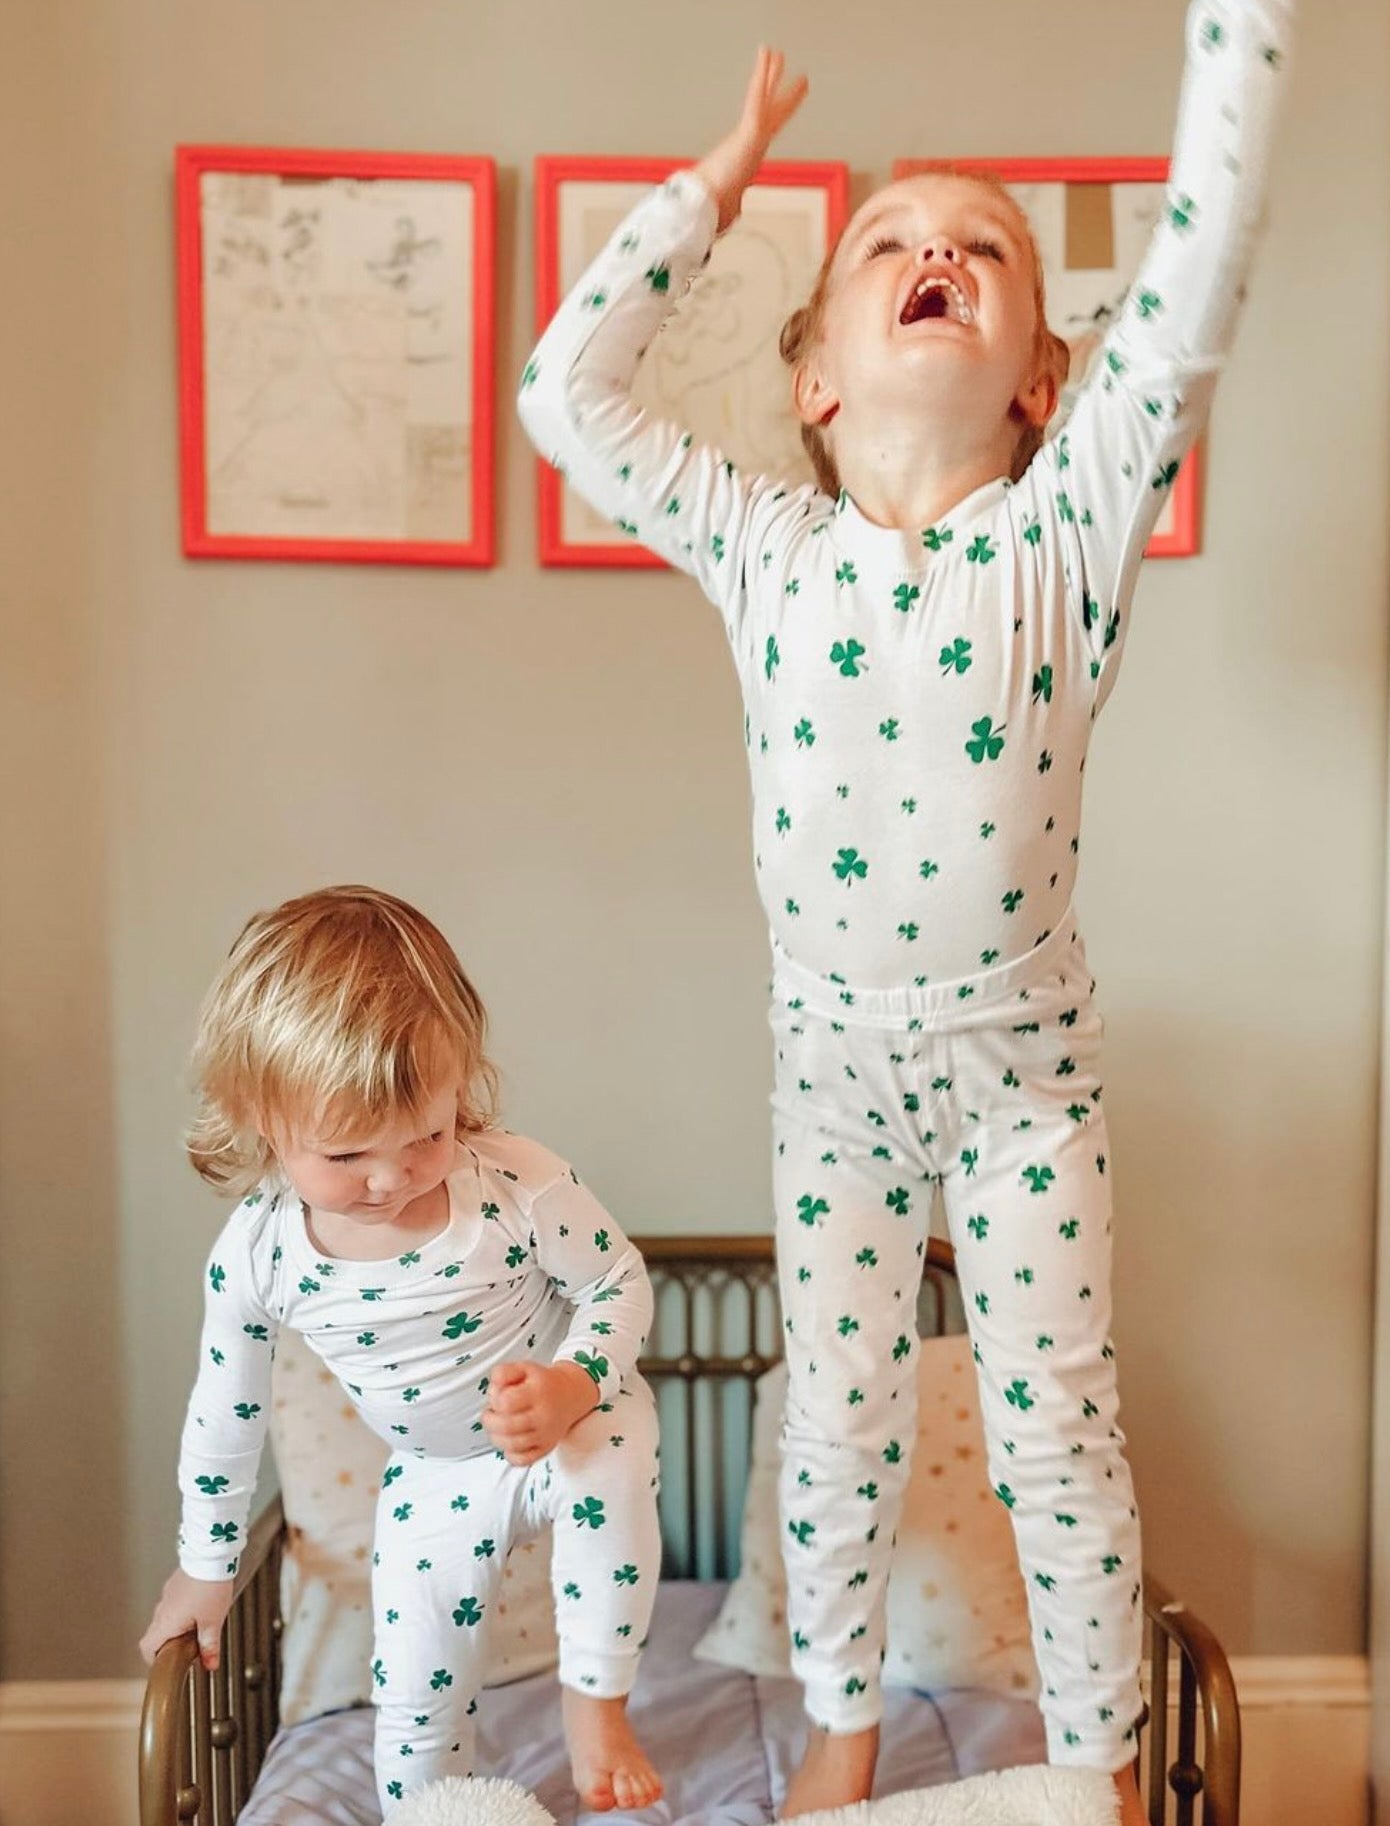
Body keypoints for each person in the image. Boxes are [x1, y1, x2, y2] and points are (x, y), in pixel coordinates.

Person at [517, 9, 1291, 1820]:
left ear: (1040, 379)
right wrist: (716, 185)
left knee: (1058, 1439)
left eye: (984, 247)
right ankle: (841, 1738)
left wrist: (1239, 35)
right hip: (834, 1073)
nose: (937, 251)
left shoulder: (1066, 536)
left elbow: (1200, 273)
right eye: (890, 240)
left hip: (1027, 1075)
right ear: (815, 380)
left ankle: (1097, 1767)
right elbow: (564, 394)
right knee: (834, 1419)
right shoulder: (763, 547)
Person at [138, 885, 663, 1815]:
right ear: (261, 1115)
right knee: (414, 1704)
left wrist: (573, 1384)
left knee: (613, 1458)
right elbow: (227, 1415)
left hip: (563, 1428)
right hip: (434, 1474)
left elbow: (618, 1285)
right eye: (345, 1157)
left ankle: (596, 1706)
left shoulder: (512, 1184)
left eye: (425, 1134)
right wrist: (206, 1566)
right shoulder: (259, 1259)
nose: (391, 1179)